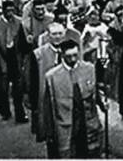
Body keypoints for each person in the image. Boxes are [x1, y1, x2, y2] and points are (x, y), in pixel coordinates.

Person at [42, 30, 104, 158]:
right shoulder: (52, 77)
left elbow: (95, 94)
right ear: (62, 55)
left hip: (88, 123)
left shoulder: (89, 69)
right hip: (65, 126)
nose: (73, 59)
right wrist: (49, 133)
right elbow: (48, 109)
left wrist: (103, 102)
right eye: (69, 56)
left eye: (75, 55)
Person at [0, 0, 27, 123]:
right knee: (3, 89)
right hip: (2, 58)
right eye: (8, 10)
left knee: (18, 89)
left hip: (15, 58)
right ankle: (5, 112)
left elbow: (22, 43)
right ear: (3, 11)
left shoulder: (19, 22)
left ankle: (20, 114)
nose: (10, 13)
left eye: (12, 10)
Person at [31, 22, 66, 146]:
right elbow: (33, 82)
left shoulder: (70, 51)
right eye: (54, 34)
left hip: (65, 98)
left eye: (60, 33)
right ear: (49, 36)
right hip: (47, 98)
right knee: (50, 133)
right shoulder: (38, 54)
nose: (57, 37)